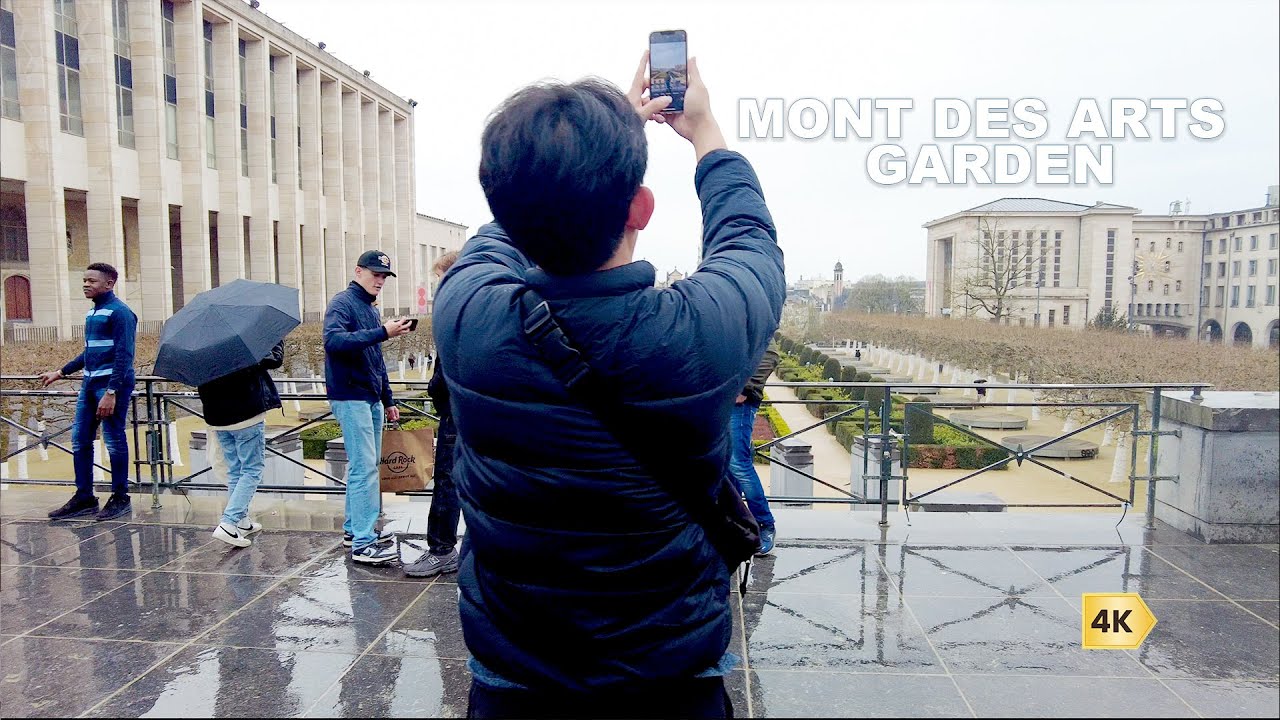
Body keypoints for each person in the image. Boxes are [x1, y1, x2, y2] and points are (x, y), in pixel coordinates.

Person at [434, 52, 784, 717]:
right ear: (641, 208)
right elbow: (749, 241)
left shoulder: (466, 313)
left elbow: (504, 228)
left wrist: (576, 156)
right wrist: (705, 132)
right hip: (670, 678)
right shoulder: (695, 333)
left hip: (515, 677)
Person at [323, 250, 412, 564]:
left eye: (384, 275)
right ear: (358, 271)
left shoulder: (368, 308)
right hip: (351, 395)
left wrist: (388, 399)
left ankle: (354, 531)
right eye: (376, 274)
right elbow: (333, 341)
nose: (381, 280)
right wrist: (382, 332)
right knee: (364, 468)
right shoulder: (342, 303)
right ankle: (363, 542)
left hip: (367, 397)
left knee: (364, 466)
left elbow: (376, 360)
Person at [40, 263, 138, 522]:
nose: (85, 284)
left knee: (114, 440)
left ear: (109, 284)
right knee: (80, 440)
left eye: (92, 281)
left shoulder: (120, 313)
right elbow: (90, 352)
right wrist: (61, 372)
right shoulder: (93, 313)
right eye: (84, 280)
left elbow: (124, 355)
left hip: (111, 386)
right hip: (90, 384)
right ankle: (84, 496)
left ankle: (121, 497)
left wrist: (112, 391)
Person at [405, 250, 462, 579]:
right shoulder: (476, 306)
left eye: (440, 277)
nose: (438, 285)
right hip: (471, 410)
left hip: (457, 411)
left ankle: (441, 550)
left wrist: (436, 393)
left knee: (447, 481)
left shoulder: (454, 310)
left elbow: (442, 377)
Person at [198, 340, 285, 547]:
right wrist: (276, 337)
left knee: (236, 471)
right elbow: (274, 359)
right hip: (246, 412)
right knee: (252, 470)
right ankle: (228, 523)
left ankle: (241, 520)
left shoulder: (201, 344)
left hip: (217, 416)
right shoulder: (243, 339)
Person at [730, 342, 780, 556]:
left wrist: (745, 388)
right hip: (719, 398)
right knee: (725, 463)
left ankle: (764, 523)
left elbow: (770, 355)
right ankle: (735, 521)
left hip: (739, 402)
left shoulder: (756, 318)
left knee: (738, 464)